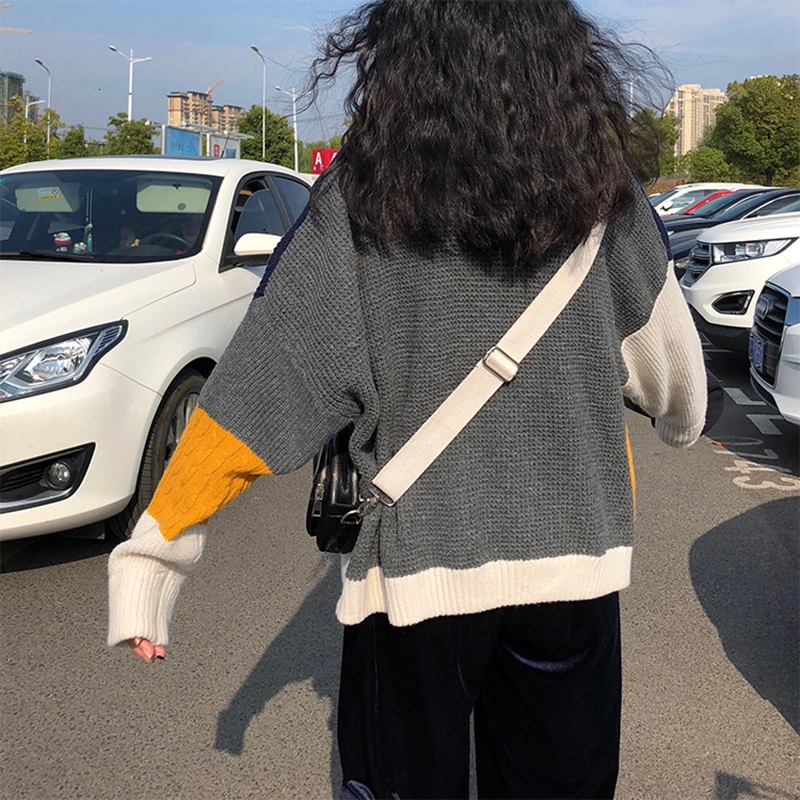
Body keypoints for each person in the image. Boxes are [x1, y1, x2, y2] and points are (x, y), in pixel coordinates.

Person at [107, 2, 708, 798]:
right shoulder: (604, 193)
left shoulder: (363, 195)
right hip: (574, 566)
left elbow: (263, 384)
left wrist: (154, 554)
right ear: (561, 51)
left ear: (401, 51)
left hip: (417, 574)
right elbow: (674, 379)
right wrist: (677, 423)